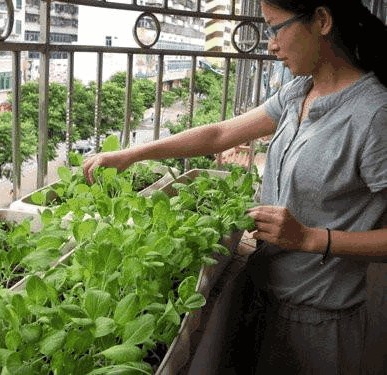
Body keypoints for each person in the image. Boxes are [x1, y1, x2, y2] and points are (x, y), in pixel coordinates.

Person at [83, 0, 387, 373]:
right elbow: (220, 133)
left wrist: (311, 238)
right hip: (265, 296)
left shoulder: (374, 115)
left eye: (276, 27)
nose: (271, 44)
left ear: (322, 20)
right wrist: (131, 154)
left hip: (321, 322)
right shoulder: (298, 93)